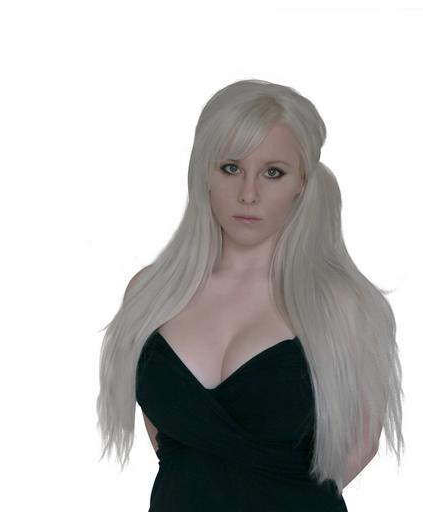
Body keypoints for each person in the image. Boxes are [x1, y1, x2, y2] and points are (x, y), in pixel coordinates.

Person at [96, 79, 404, 511]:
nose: (248, 194)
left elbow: (359, 447)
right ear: (204, 172)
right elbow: (171, 443)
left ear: (301, 182)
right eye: (231, 168)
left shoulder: (344, 304)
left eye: (273, 172)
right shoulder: (150, 294)